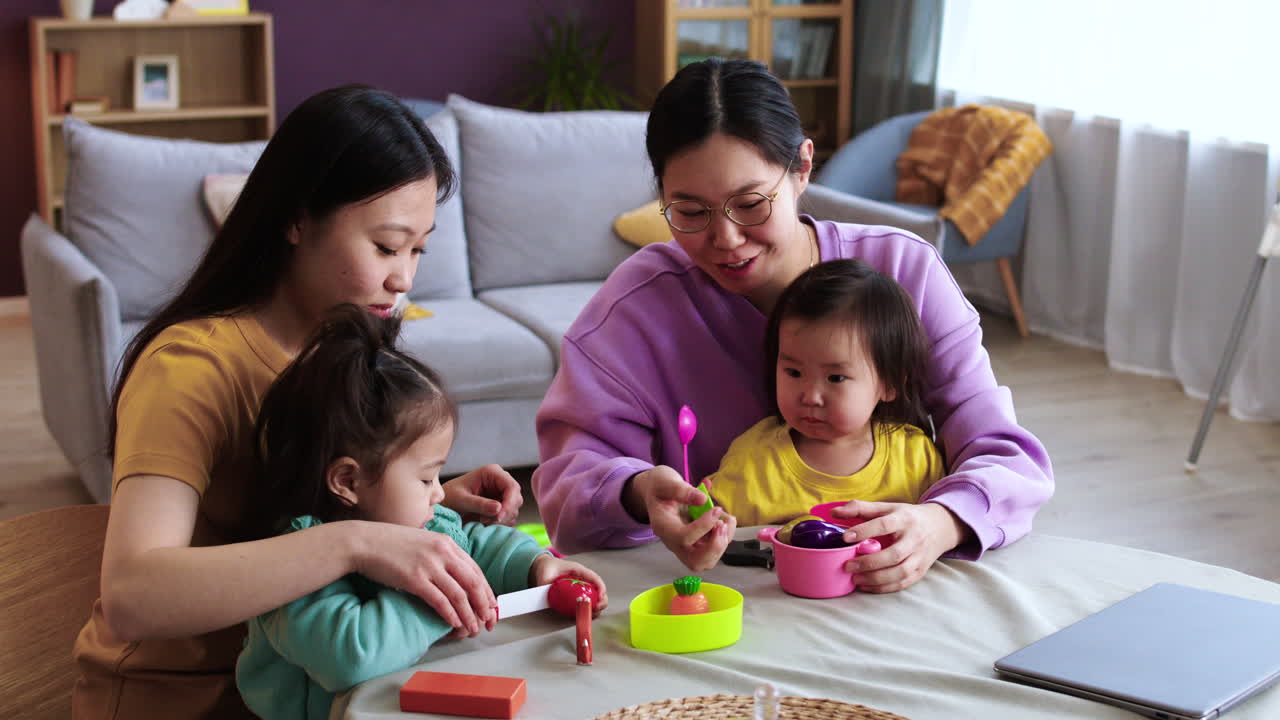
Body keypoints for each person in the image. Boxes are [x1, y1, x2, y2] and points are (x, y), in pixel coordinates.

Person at [72, 85, 526, 719]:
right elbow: (132, 595)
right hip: (188, 698)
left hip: (316, 687)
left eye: (417, 250)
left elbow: (292, 503)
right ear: (296, 219)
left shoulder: (341, 346)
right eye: (386, 247)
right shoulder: (190, 369)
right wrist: (358, 543)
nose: (405, 279)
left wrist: (426, 495)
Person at [533, 58, 1053, 591]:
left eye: (750, 204)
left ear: (803, 167)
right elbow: (567, 487)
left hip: (889, 591)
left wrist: (939, 524)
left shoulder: (905, 273)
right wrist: (637, 491)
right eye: (690, 212)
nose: (726, 239)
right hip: (720, 599)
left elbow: (1006, 457)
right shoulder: (635, 309)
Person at [235, 306, 607, 720]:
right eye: (427, 478)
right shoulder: (290, 566)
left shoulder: (421, 519)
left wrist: (536, 567)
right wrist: (445, 597)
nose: (439, 495)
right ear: (348, 482)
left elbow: (479, 546)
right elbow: (348, 656)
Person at [703, 258, 944, 529]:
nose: (810, 396)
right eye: (794, 373)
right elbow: (702, 518)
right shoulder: (753, 458)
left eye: (835, 378)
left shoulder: (915, 458)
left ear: (889, 384)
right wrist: (696, 518)